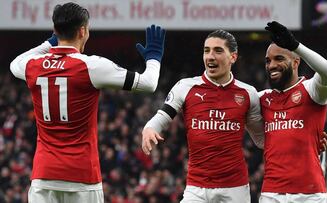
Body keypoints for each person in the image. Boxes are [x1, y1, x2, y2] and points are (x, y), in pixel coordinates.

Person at [10, 2, 165, 203]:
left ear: (55, 30)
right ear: (83, 31)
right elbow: (149, 84)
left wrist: (49, 44)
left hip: (44, 177)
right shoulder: (91, 66)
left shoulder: (33, 65)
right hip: (82, 178)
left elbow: (15, 64)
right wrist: (154, 58)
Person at [141, 30, 265, 203]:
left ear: (233, 57)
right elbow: (163, 115)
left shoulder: (248, 94)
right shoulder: (185, 87)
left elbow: (262, 140)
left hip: (235, 188)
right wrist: (150, 128)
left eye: (218, 51)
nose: (210, 56)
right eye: (206, 51)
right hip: (196, 188)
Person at [258, 21, 327, 203]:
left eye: (279, 59)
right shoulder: (261, 98)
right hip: (271, 194)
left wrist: (295, 46)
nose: (272, 65)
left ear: (295, 62)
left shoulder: (312, 90)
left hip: (311, 194)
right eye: (268, 61)